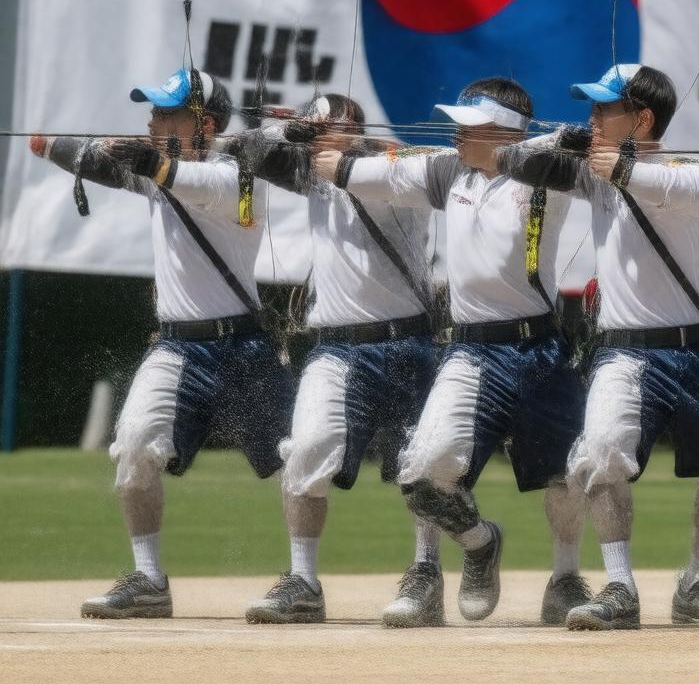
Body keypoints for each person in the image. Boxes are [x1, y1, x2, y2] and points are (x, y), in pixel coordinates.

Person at [313, 78, 591, 626]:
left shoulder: (543, 170)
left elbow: (566, 154)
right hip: (471, 353)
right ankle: (479, 543)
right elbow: (347, 170)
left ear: (504, 129)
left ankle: (566, 577)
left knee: (562, 475)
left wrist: (569, 140)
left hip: (539, 347)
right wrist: (322, 150)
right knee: (420, 472)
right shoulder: (446, 171)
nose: (456, 132)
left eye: (470, 123)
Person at [30, 67, 294, 619]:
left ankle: (304, 580)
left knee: (300, 458)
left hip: (244, 344)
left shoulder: (238, 178)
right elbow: (104, 163)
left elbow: (171, 174)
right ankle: (149, 579)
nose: (152, 121)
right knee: (132, 445)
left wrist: (144, 157)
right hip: (178, 346)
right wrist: (48, 142)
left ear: (207, 123)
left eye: (165, 112)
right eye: (151, 111)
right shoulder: (160, 170)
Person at [495, 64, 699, 630]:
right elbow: (508, 161)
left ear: (643, 119)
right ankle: (619, 585)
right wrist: (564, 142)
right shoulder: (592, 171)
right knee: (601, 452)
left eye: (603, 110)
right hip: (623, 349)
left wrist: (622, 167)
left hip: (694, 345)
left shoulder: (691, 170)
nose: (592, 119)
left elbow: (676, 185)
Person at [228, 95, 441, 626]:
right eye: (316, 131)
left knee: (423, 467)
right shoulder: (313, 175)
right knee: (304, 450)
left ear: (355, 130)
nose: (322, 139)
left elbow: (398, 157)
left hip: (406, 341)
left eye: (332, 129)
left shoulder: (395, 168)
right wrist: (290, 133)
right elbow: (244, 150)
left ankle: (426, 573)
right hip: (335, 345)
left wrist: (347, 147)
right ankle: (302, 582)